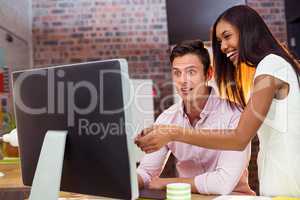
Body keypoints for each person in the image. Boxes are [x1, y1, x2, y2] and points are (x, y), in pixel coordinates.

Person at [135, 5, 300, 197]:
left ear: (247, 30)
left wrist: (173, 133)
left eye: (227, 36)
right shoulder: (270, 67)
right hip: (280, 183)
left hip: (290, 183)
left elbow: (239, 138)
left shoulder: (271, 66)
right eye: (220, 41)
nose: (222, 47)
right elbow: (146, 173)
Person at [136, 40, 255, 195]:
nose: (183, 80)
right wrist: (125, 180)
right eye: (177, 73)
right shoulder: (167, 118)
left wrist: (165, 183)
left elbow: (222, 183)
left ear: (208, 74)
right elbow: (146, 173)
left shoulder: (234, 115)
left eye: (191, 72)